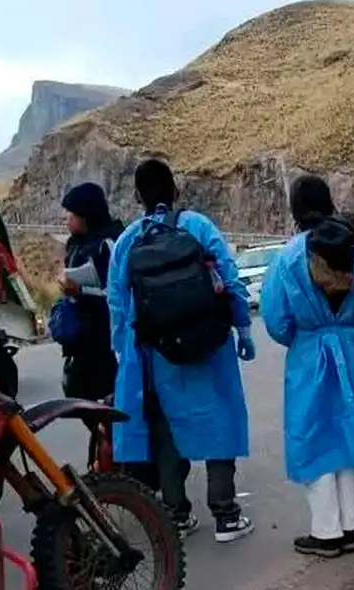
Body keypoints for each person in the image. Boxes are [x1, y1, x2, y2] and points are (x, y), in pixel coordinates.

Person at [107, 159, 256, 543]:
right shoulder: (199, 226)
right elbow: (231, 279)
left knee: (167, 430)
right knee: (220, 419)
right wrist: (242, 328)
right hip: (210, 344)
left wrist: (124, 354)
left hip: (157, 354)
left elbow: (118, 305)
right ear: (176, 190)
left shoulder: (128, 241)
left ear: (137, 196)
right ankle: (226, 515)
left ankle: (176, 514)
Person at [261, 175, 354, 558]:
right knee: (348, 438)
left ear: (297, 209)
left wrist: (307, 334)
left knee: (313, 439)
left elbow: (277, 320)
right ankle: (347, 526)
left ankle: (325, 532)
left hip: (312, 356)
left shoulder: (289, 256)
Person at [57, 182, 124, 406]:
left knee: (109, 405)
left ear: (86, 215)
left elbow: (120, 295)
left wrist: (82, 292)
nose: (66, 218)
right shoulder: (76, 245)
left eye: (72, 213)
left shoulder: (110, 244)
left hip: (106, 342)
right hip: (82, 342)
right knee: (80, 399)